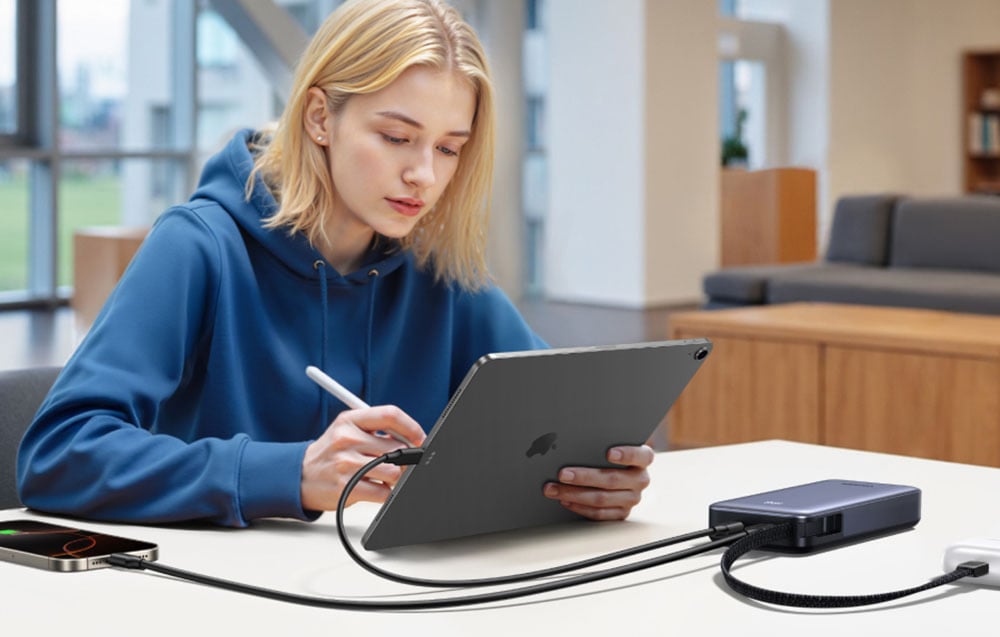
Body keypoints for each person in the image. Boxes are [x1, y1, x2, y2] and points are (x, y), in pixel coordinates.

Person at [17, 0, 653, 528]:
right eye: (396, 137)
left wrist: (598, 473)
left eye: (449, 148)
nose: (424, 175)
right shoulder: (199, 246)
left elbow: (564, 414)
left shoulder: (442, 273)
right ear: (320, 117)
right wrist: (289, 474)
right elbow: (58, 454)